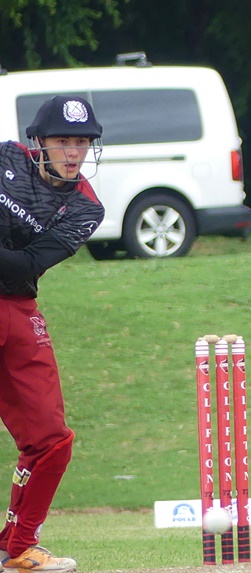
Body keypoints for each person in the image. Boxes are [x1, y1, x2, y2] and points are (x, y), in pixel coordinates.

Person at [0, 95, 106, 572]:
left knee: (51, 440)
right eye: (64, 140)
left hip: (18, 304)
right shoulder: (5, 158)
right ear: (38, 142)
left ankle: (17, 546)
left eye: (82, 142)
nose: (73, 151)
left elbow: (28, 263)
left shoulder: (85, 208)